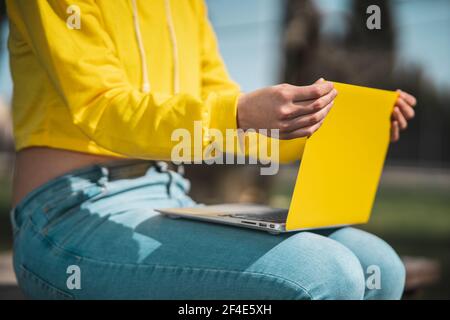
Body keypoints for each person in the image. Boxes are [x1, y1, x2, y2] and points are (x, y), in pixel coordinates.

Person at [7, 0, 416, 300]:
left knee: (378, 264)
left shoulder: (188, 6)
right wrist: (237, 112)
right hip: (68, 212)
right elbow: (102, 107)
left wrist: (315, 127)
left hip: (168, 197)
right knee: (325, 272)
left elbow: (224, 118)